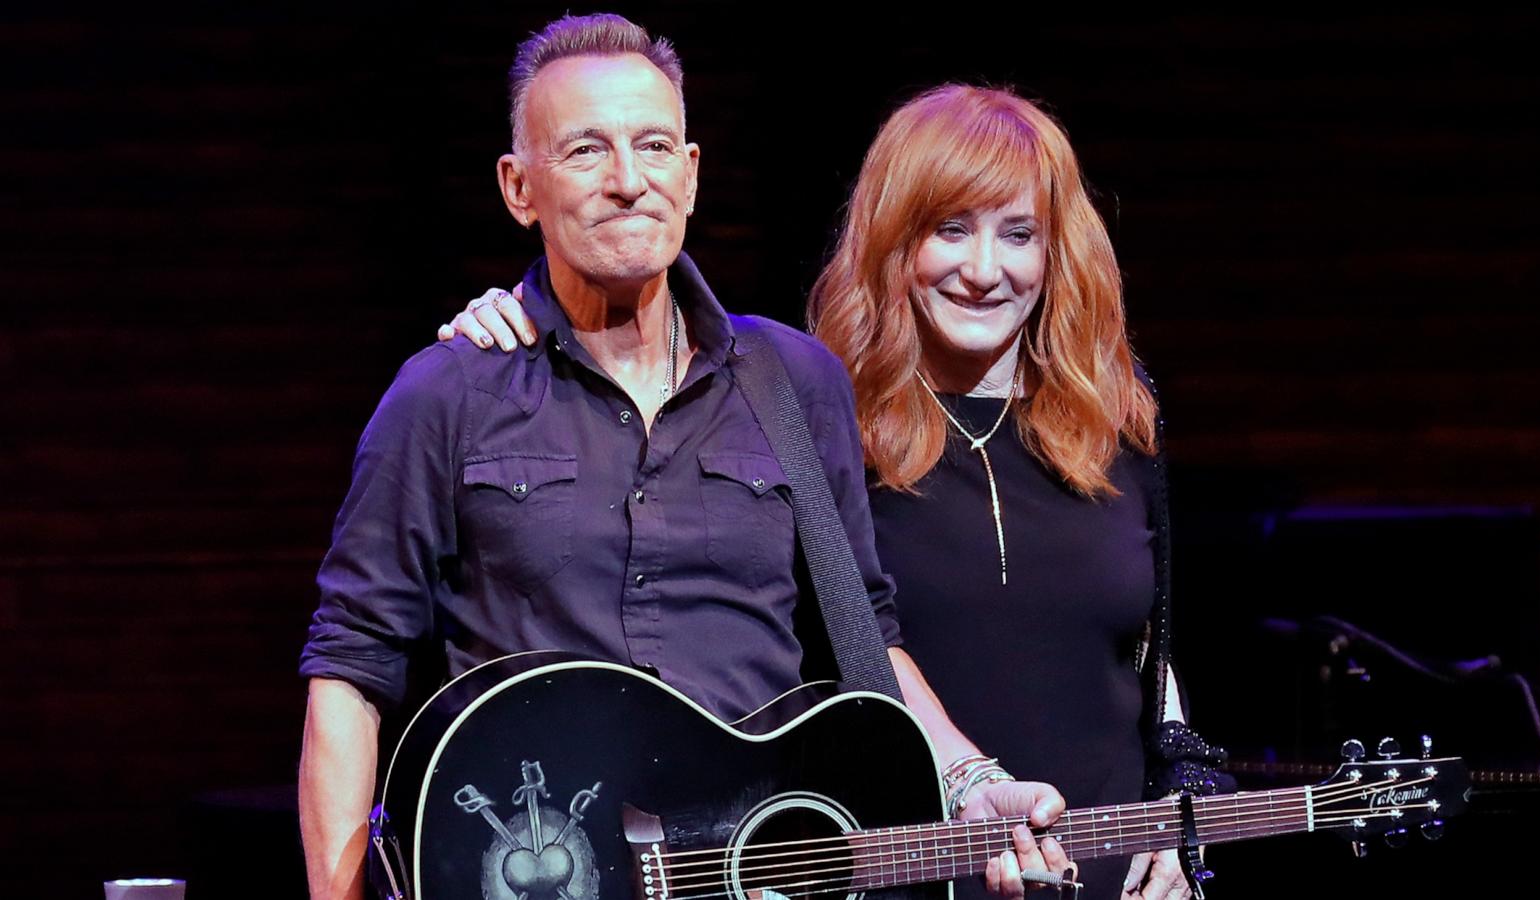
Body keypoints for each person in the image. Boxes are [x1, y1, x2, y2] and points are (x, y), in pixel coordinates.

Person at [298, 15, 1066, 900]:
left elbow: (867, 639)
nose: (630, 181)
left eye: (655, 146)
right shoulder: (447, 395)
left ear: (692, 174)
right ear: (519, 188)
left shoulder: (795, 383)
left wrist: (971, 783)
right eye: (586, 151)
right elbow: (350, 673)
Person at [443, 84, 1227, 900]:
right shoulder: (809, 411)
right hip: (897, 874)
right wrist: (518, 320)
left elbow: (1147, 654)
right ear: (894, 242)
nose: (985, 270)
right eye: (950, 231)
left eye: (1019, 235)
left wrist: (1178, 818)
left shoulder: (1117, 423)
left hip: (1107, 875)